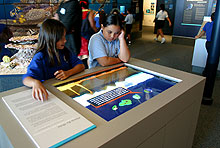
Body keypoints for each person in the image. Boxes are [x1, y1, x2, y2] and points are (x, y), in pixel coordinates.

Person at [23, 19, 85, 101]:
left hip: (67, 92)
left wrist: (68, 73)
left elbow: (80, 65)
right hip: (51, 95)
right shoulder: (40, 57)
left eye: (64, 37)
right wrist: (35, 83)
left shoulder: (65, 51)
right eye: (62, 38)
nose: (65, 40)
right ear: (51, 38)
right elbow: (26, 78)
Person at [78, 0, 97, 69]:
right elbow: (92, 25)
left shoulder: (76, 12)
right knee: (88, 55)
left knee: (79, 56)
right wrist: (96, 31)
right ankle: (89, 70)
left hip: (78, 37)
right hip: (87, 37)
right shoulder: (90, 12)